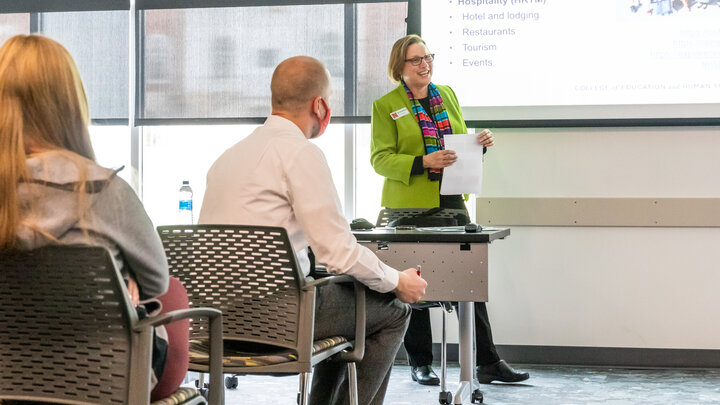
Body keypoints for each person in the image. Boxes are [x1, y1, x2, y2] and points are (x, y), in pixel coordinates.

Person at [198, 55, 426, 405]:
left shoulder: (227, 157)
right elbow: (338, 252)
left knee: (341, 307)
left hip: (215, 324)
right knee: (393, 309)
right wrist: (398, 280)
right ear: (320, 105)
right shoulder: (300, 153)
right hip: (277, 323)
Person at [0, 34, 188, 400]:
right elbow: (156, 281)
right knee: (174, 292)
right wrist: (127, 292)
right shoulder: (106, 191)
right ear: (70, 104)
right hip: (107, 377)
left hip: (6, 377)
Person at [370, 34, 529, 386]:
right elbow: (380, 159)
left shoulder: (448, 95)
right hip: (407, 206)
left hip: (451, 199)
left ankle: (486, 362)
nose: (424, 64)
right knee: (413, 284)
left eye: (428, 57)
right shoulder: (386, 105)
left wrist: (479, 143)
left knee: (468, 280)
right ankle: (420, 363)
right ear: (399, 66)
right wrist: (422, 161)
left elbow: (458, 144)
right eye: (415, 60)